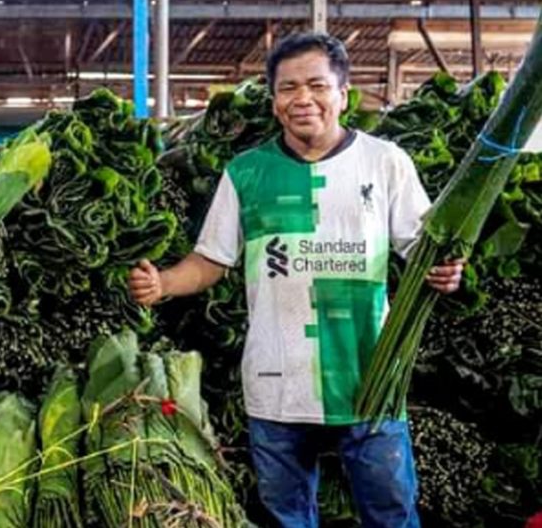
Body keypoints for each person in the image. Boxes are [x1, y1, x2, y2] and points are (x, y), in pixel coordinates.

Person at [129, 33, 464, 528]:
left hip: (368, 378)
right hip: (276, 380)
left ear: (342, 95)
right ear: (274, 100)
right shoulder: (247, 172)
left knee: (391, 512)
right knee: (287, 516)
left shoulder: (385, 162)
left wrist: (447, 270)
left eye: (316, 86)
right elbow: (211, 260)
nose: (302, 99)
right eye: (288, 89)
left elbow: (422, 249)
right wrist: (163, 284)